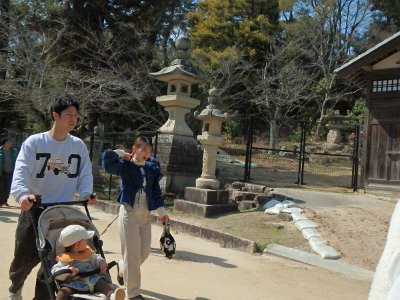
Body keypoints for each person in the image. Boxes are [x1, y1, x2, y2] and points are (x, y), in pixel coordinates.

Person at [7, 95, 97, 300]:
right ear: (55, 116)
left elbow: (85, 175)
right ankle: (15, 288)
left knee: (55, 264)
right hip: (35, 209)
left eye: (76, 115)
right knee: (23, 260)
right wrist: (23, 195)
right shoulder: (35, 142)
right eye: (68, 115)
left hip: (63, 214)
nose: (73, 119)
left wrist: (86, 194)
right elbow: (20, 172)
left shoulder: (79, 146)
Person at [102, 136, 170, 300]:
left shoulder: (151, 167)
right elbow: (107, 161)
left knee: (144, 252)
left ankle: (121, 266)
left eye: (149, 150)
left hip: (146, 214)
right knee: (132, 255)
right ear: (134, 148)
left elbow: (155, 191)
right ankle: (133, 293)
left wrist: (162, 212)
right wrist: (121, 153)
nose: (146, 153)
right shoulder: (125, 165)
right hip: (129, 213)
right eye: (143, 149)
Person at [51, 224, 125, 300]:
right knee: (62, 292)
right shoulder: (65, 259)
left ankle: (112, 295)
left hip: (92, 280)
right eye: (85, 240)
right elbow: (55, 272)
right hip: (75, 283)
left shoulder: (88, 253)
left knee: (102, 283)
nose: (87, 241)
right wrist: (67, 269)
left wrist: (101, 262)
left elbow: (96, 258)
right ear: (78, 245)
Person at [0, 137, 18, 207]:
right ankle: (1, 201)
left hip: (11, 172)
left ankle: (4, 201)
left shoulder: (14, 151)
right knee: (1, 187)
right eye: (8, 142)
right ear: (4, 143)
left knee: (8, 188)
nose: (10, 143)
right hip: (1, 172)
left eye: (11, 142)